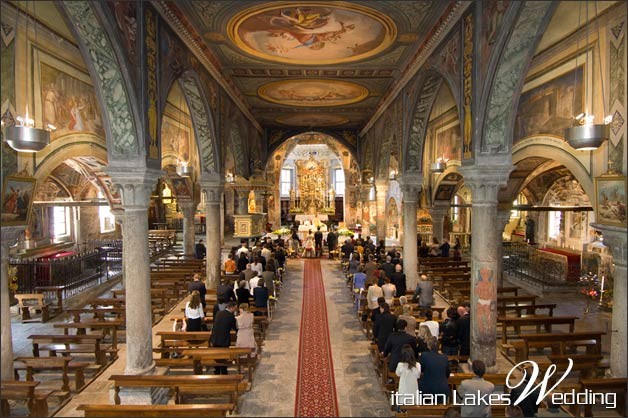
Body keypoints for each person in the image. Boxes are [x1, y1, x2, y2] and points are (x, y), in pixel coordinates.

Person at [210, 301, 238, 374]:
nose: (235, 310)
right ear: (231, 307)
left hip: (215, 337)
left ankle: (216, 370)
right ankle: (224, 371)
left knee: (216, 355)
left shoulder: (219, 313)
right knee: (224, 355)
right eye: (235, 309)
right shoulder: (230, 316)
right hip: (224, 339)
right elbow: (235, 328)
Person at [395, 348, 421, 412]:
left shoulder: (400, 365)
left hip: (403, 393)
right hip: (413, 392)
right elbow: (418, 376)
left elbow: (397, 374)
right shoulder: (417, 365)